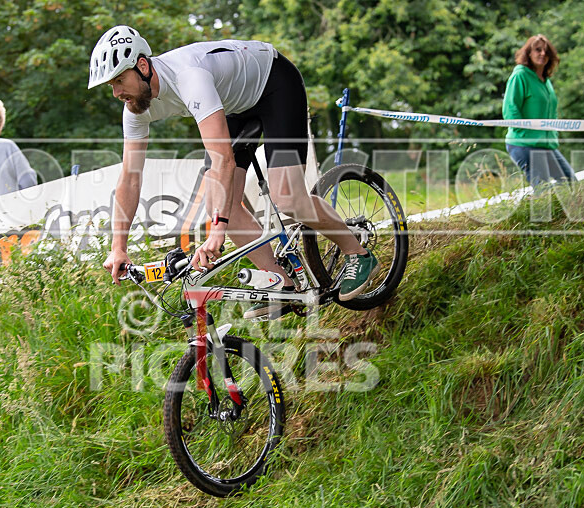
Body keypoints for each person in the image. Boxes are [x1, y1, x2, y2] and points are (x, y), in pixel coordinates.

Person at [89, 25, 378, 319]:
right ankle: (282, 283)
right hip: (234, 105)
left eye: (119, 81)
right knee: (216, 201)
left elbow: (223, 160)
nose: (116, 93)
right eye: (111, 85)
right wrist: (118, 247)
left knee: (288, 197)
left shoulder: (189, 77)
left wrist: (217, 233)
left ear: (142, 66)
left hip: (273, 84)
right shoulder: (135, 108)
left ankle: (358, 253)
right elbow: (130, 177)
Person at [503, 34, 576, 188]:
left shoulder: (546, 81)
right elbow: (510, 108)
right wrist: (525, 133)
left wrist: (553, 134)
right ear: (529, 53)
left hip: (546, 145)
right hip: (524, 144)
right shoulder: (520, 75)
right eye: (538, 50)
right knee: (542, 190)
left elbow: (551, 112)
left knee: (570, 183)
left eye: (546, 51)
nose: (542, 54)